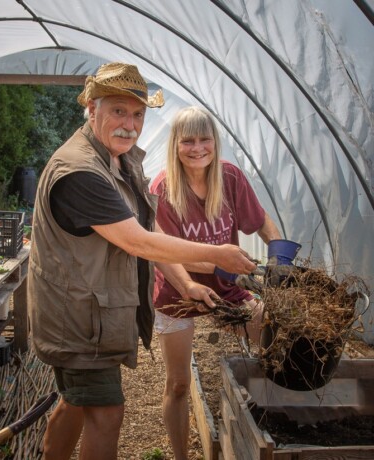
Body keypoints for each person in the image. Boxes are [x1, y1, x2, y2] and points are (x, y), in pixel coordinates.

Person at [27, 63, 258, 460]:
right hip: (78, 317)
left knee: (76, 400)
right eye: (118, 111)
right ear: (92, 109)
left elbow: (147, 232)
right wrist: (216, 254)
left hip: (87, 310)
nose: (130, 124)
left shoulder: (117, 159)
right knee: (106, 413)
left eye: (137, 114)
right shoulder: (81, 170)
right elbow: (139, 242)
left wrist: (186, 285)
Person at [150, 105, 283, 459]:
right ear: (175, 144)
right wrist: (200, 276)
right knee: (179, 384)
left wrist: (278, 257)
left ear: (215, 141)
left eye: (204, 139)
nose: (197, 148)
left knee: (273, 338)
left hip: (226, 288)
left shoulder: (230, 178)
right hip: (178, 291)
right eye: (188, 141)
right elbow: (164, 252)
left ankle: (267, 427)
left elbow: (261, 221)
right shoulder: (163, 188)